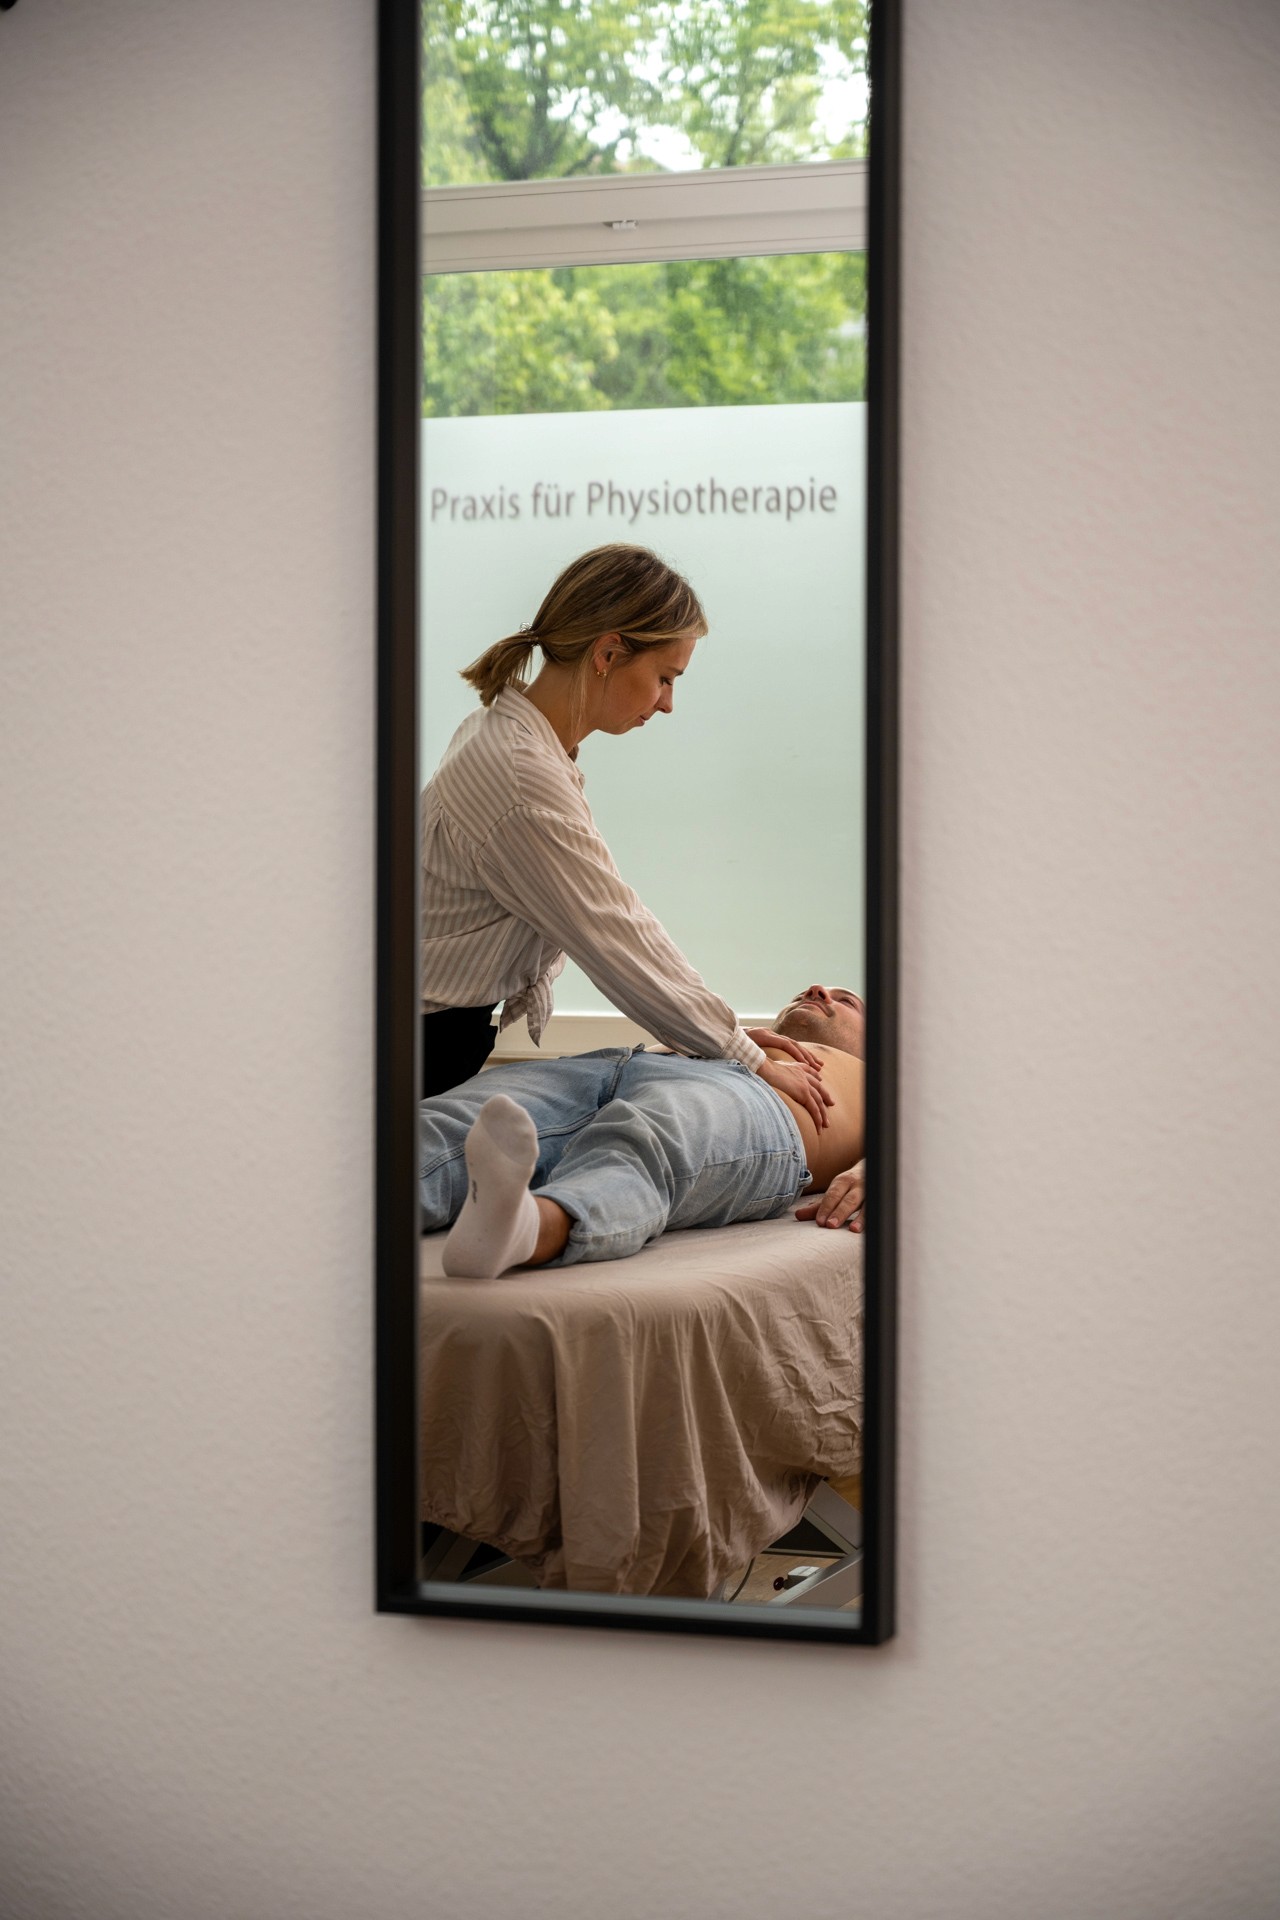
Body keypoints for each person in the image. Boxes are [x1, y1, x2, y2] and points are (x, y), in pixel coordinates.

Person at [419, 543, 830, 1136]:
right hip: (423, 1042)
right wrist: (745, 1055)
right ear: (609, 653)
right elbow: (615, 935)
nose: (667, 704)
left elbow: (617, 918)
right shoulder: (521, 779)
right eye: (665, 678)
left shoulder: (505, 736)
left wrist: (728, 1035)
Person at [420, 982, 867, 1278]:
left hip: (752, 1100)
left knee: (642, 1141)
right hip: (617, 1061)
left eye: (846, 1001)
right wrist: (729, 1039)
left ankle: (521, 1228)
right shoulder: (737, 1037)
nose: (817, 991)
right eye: (809, 991)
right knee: (458, 1118)